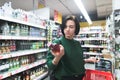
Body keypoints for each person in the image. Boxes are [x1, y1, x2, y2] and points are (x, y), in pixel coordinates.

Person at [46, 15, 99, 80]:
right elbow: (50, 66)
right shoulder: (57, 43)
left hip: (79, 77)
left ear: (76, 29)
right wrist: (58, 57)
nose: (67, 29)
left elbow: (75, 62)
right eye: (65, 27)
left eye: (71, 27)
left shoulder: (77, 44)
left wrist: (88, 60)